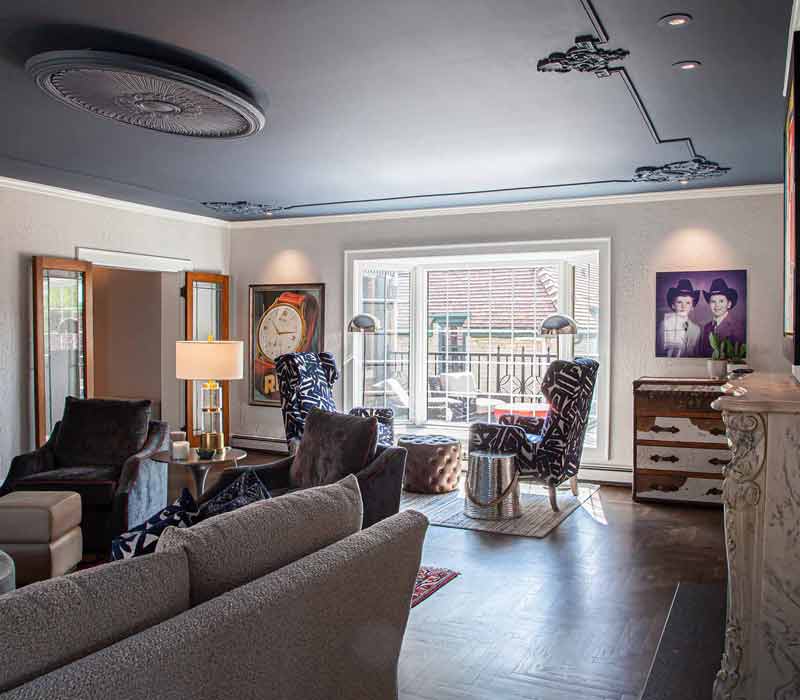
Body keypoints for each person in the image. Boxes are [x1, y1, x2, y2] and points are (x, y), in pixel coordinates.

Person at [698, 278, 745, 356]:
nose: (717, 305)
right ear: (709, 304)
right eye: (713, 301)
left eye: (721, 301)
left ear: (729, 304)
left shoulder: (737, 327)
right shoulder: (707, 327)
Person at [659, 279, 701, 357]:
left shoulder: (696, 330)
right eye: (679, 302)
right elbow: (659, 354)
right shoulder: (664, 325)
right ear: (673, 305)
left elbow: (696, 356)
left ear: (692, 307)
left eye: (688, 303)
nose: (683, 306)